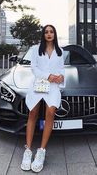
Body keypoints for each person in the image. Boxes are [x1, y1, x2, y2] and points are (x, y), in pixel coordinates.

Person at [21, 24, 65, 173]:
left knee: (51, 112)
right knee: (32, 113)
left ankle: (41, 151)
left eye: (51, 31)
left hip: (52, 87)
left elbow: (61, 69)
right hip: (39, 84)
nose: (49, 34)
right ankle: (28, 151)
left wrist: (61, 77)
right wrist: (48, 76)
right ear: (43, 35)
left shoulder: (60, 52)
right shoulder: (35, 49)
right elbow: (34, 68)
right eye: (46, 32)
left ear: (55, 34)